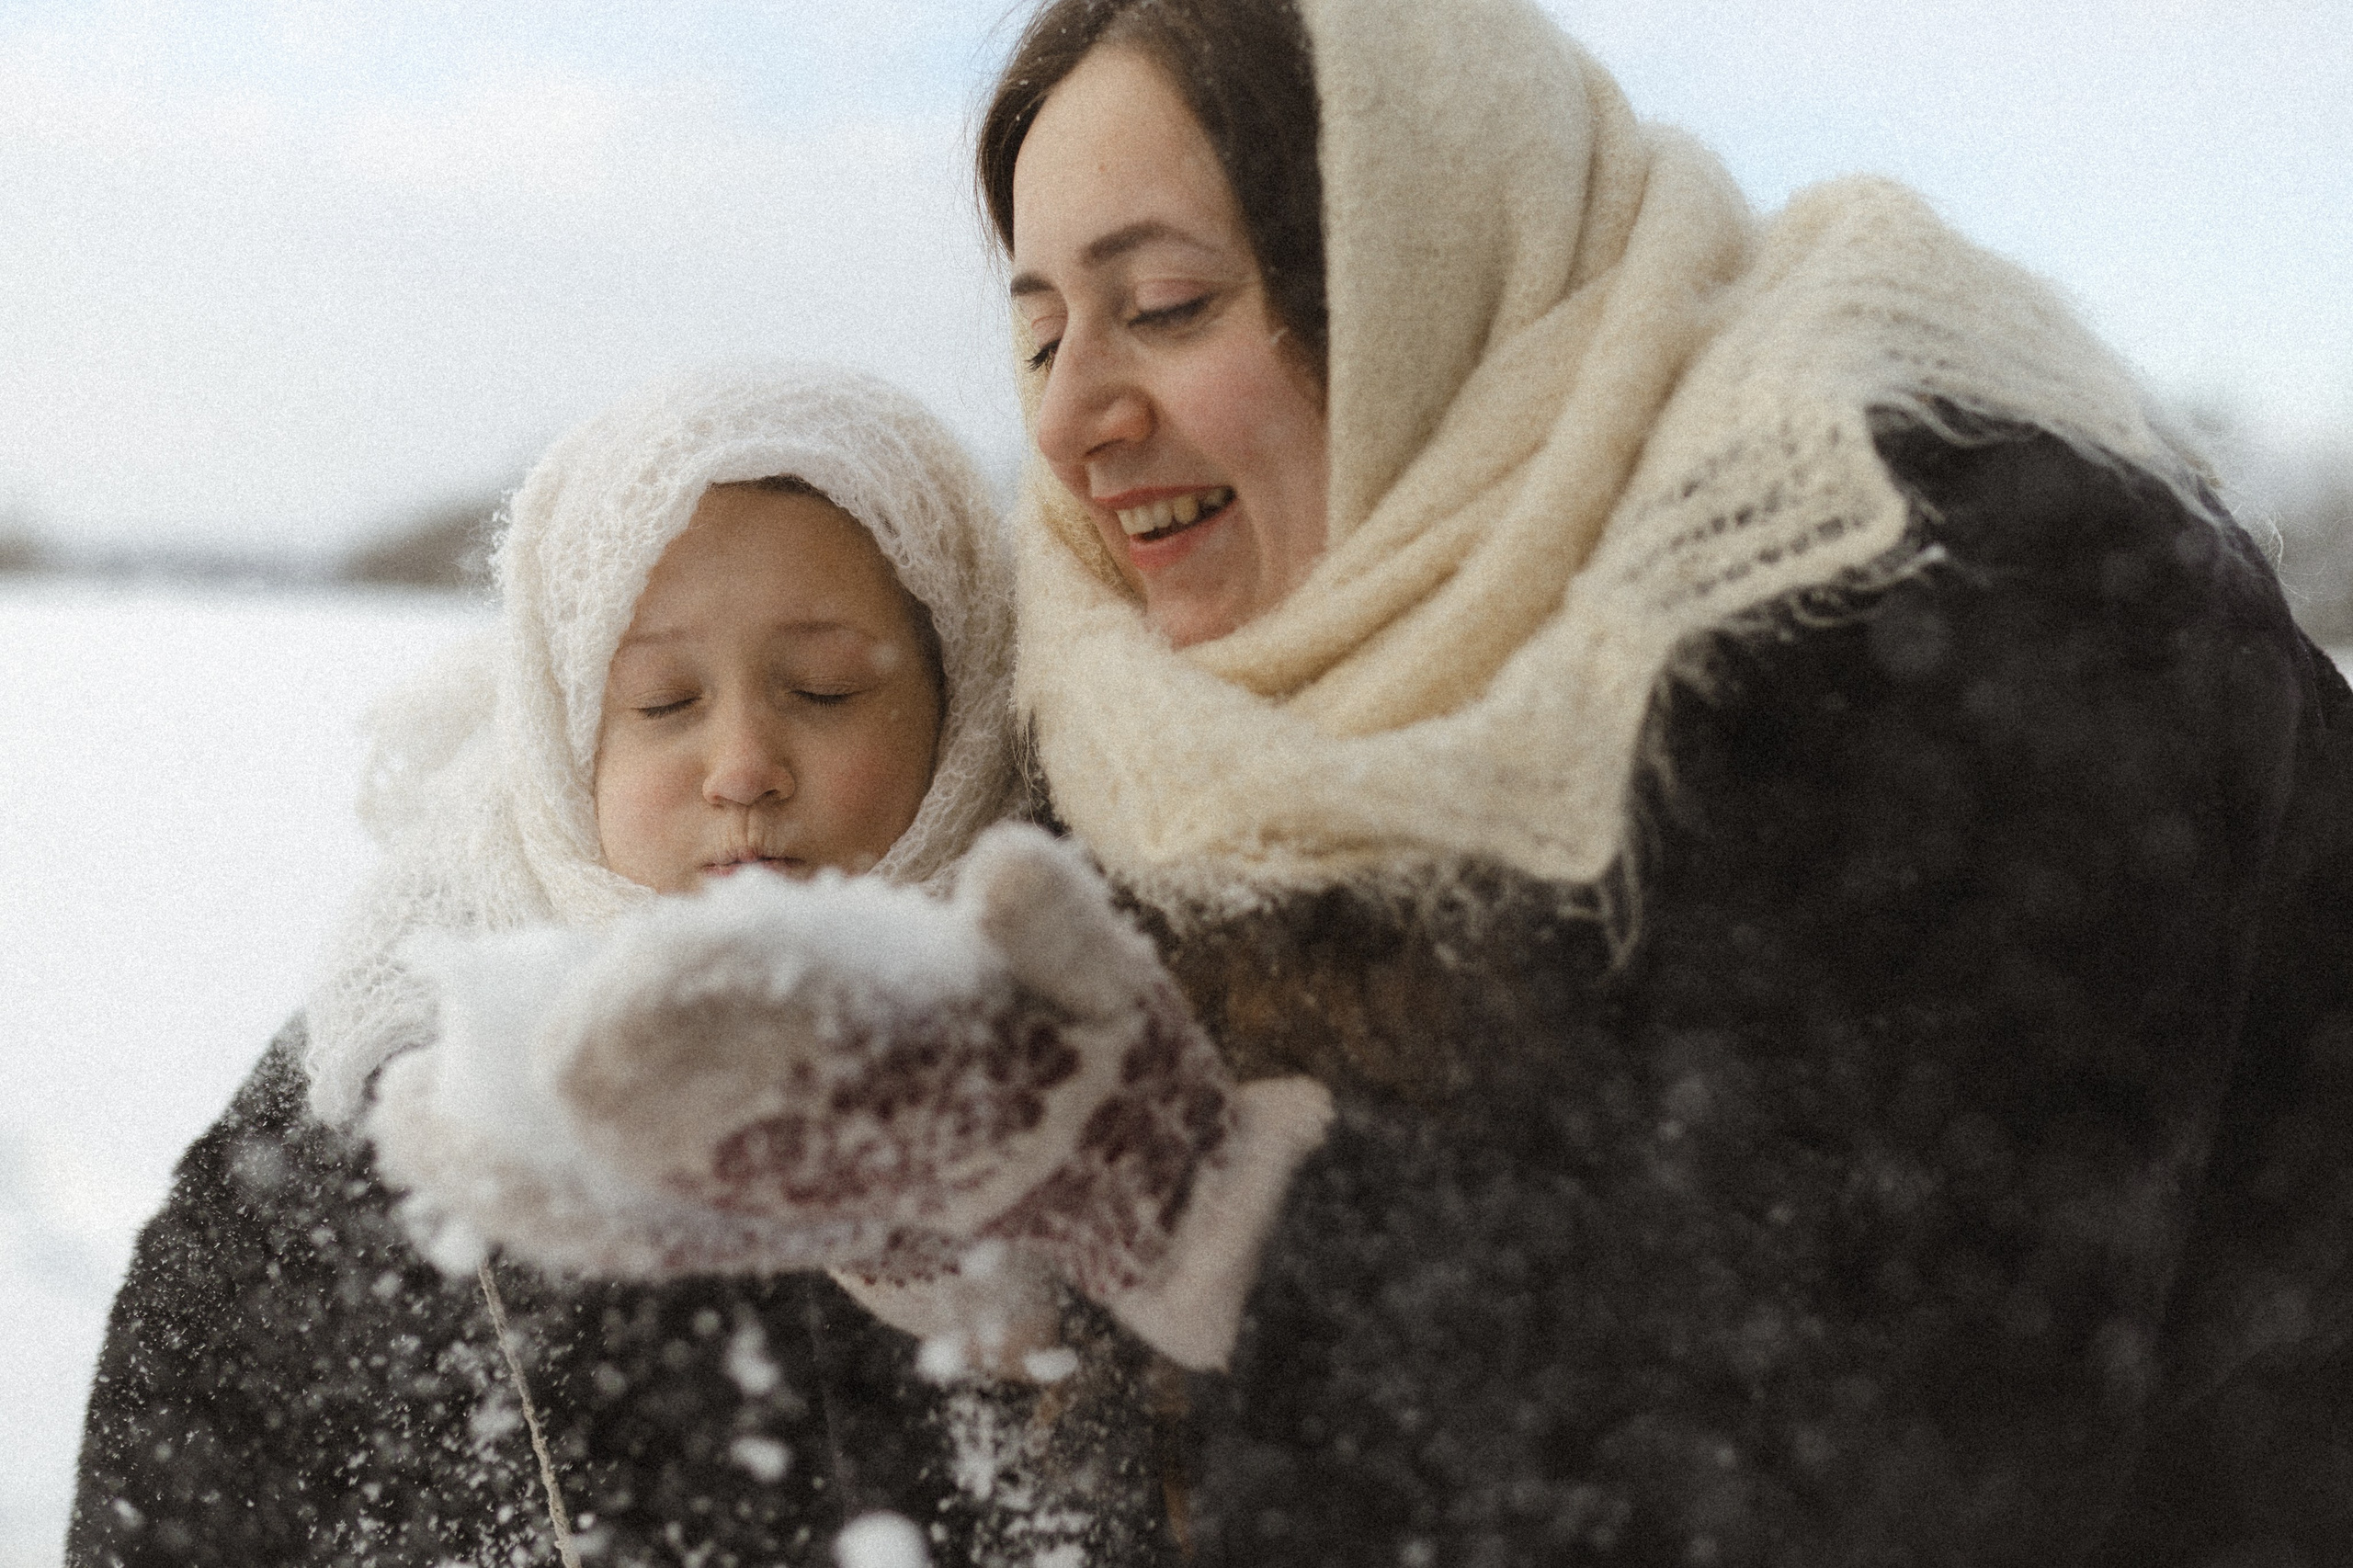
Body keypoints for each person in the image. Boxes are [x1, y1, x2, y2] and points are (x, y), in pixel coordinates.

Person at [416, 0, 2353, 1562]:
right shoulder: (1199, 715)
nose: (1079, 414)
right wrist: (967, 1239)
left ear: (1417, 262)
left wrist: (1195, 1211)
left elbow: (1855, 1442)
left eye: (1166, 303)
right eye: (1036, 328)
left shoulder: (1965, 591)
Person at [69, 364, 1040, 1567]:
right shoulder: (382, 1101)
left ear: (961, 702)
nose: (741, 763)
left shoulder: (1095, 1085)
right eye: (665, 698)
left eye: (824, 688)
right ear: (562, 728)